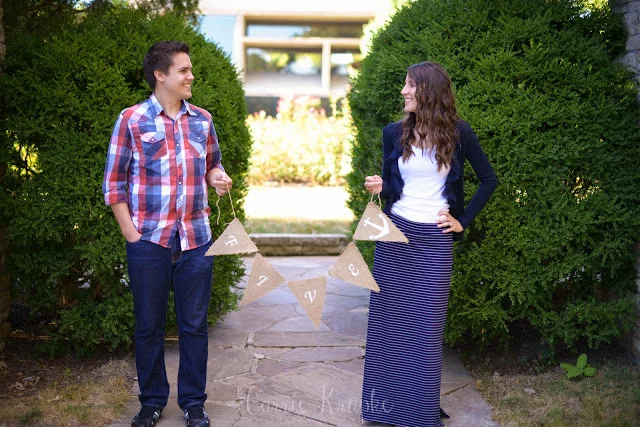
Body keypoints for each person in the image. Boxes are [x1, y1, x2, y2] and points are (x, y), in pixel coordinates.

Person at [103, 41, 232, 427]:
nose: (191, 76)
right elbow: (113, 183)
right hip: (148, 242)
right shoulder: (131, 120)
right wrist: (131, 234)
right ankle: (152, 402)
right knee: (149, 327)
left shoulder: (202, 120)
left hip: (196, 239)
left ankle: (193, 404)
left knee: (194, 327)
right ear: (160, 75)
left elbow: (213, 164)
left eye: (190, 70)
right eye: (184, 70)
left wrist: (218, 178)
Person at [362, 61, 497, 427]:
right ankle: (384, 409)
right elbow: (393, 188)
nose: (403, 91)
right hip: (394, 237)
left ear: (429, 91)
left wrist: (461, 220)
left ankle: (419, 413)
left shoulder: (459, 133)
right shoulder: (393, 133)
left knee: (425, 330)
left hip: (434, 241)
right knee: (389, 327)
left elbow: (489, 180)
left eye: (410, 85)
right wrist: (380, 186)